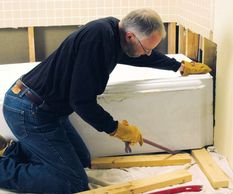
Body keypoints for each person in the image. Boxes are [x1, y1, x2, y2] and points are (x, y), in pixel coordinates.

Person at [0, 8, 211, 193]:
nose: (147, 53)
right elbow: (81, 101)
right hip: (29, 111)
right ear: (130, 36)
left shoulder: (114, 33)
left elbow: (143, 57)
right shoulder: (98, 39)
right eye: (146, 48)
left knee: (83, 161)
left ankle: (10, 151)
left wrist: (178, 66)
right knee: (72, 183)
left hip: (47, 109)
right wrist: (115, 128)